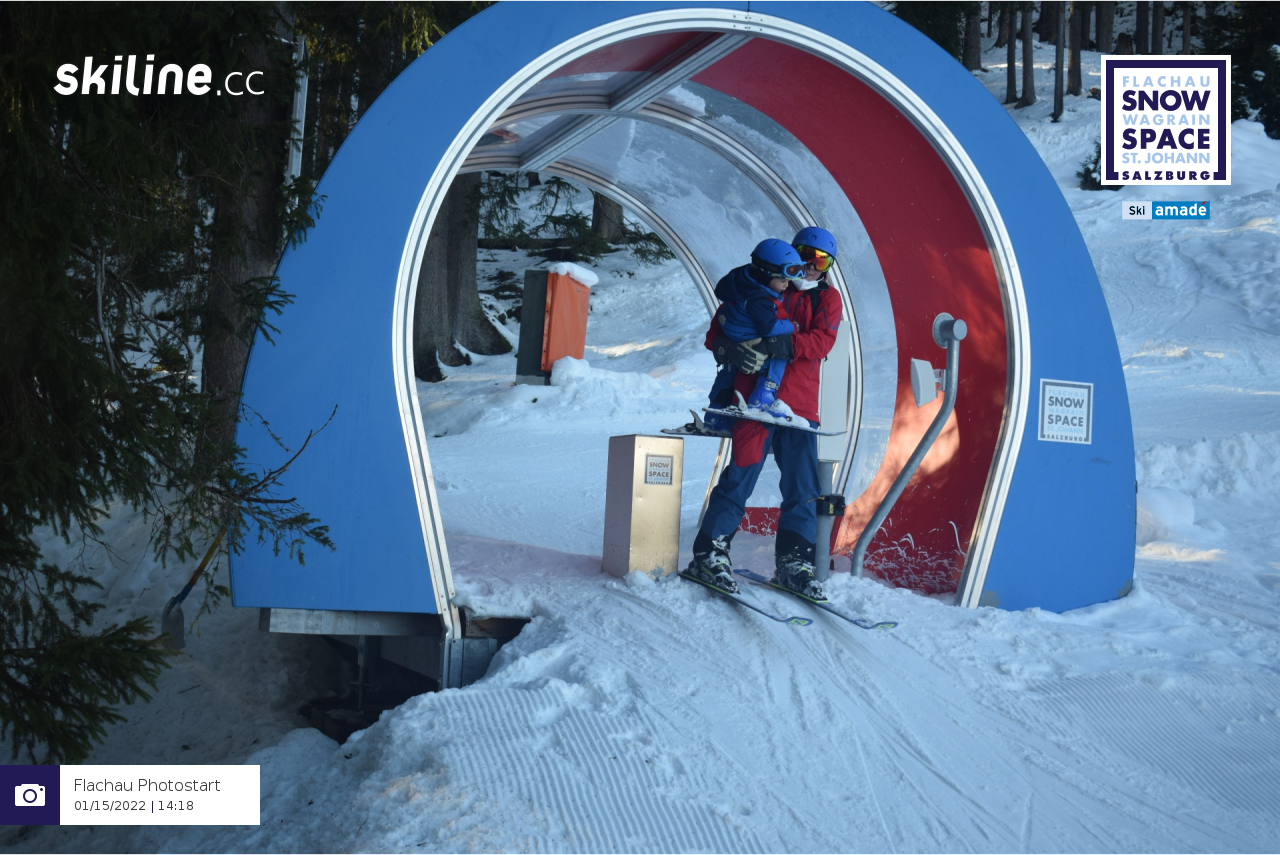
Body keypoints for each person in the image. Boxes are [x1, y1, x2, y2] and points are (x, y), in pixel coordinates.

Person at [685, 227, 842, 599]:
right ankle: (710, 553)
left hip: (799, 406)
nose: (811, 265)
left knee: (803, 486)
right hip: (752, 402)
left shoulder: (827, 298)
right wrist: (730, 350)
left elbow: (823, 340)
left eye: (821, 260)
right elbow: (717, 332)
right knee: (742, 474)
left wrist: (781, 343)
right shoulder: (764, 281)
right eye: (805, 254)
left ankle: (794, 562)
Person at [700, 239, 809, 434]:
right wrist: (793, 327)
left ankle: (716, 412)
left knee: (728, 371)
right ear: (765, 275)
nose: (787, 285)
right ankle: (763, 398)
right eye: (783, 280)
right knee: (779, 352)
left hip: (738, 352)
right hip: (750, 365)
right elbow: (769, 328)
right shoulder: (762, 300)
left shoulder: (739, 290)